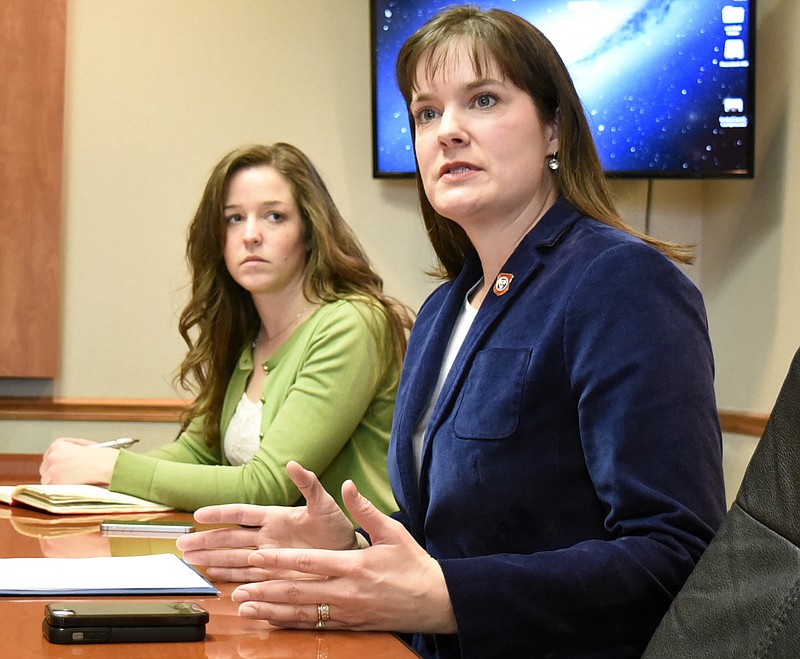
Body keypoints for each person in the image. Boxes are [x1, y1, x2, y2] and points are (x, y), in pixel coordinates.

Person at [176, 7, 726, 658]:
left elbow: (676, 552)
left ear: (554, 128)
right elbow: (449, 538)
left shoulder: (622, 281)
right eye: (427, 113)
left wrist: (447, 594)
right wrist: (350, 547)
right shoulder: (441, 309)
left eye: (483, 100)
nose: (448, 132)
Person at [39, 142, 412, 515]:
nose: (250, 234)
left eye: (274, 216)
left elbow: (269, 486)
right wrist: (96, 465)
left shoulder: (352, 323)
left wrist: (112, 469)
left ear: (310, 231)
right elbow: (199, 450)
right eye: (234, 218)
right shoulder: (248, 331)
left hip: (354, 561)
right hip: (266, 555)